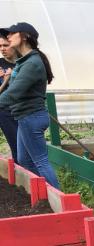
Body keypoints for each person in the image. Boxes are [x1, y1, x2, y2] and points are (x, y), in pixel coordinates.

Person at [0, 22, 60, 189]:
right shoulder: (24, 61)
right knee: (25, 160)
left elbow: (13, 93)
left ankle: (58, 199)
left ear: (25, 36)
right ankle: (42, 194)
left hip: (31, 117)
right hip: (24, 117)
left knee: (40, 162)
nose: (8, 37)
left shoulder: (32, 63)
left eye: (12, 33)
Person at [0, 36, 18, 162]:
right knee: (15, 145)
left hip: (24, 110)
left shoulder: (23, 63)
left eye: (5, 45)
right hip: (5, 111)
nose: (2, 49)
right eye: (0, 46)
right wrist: (5, 80)